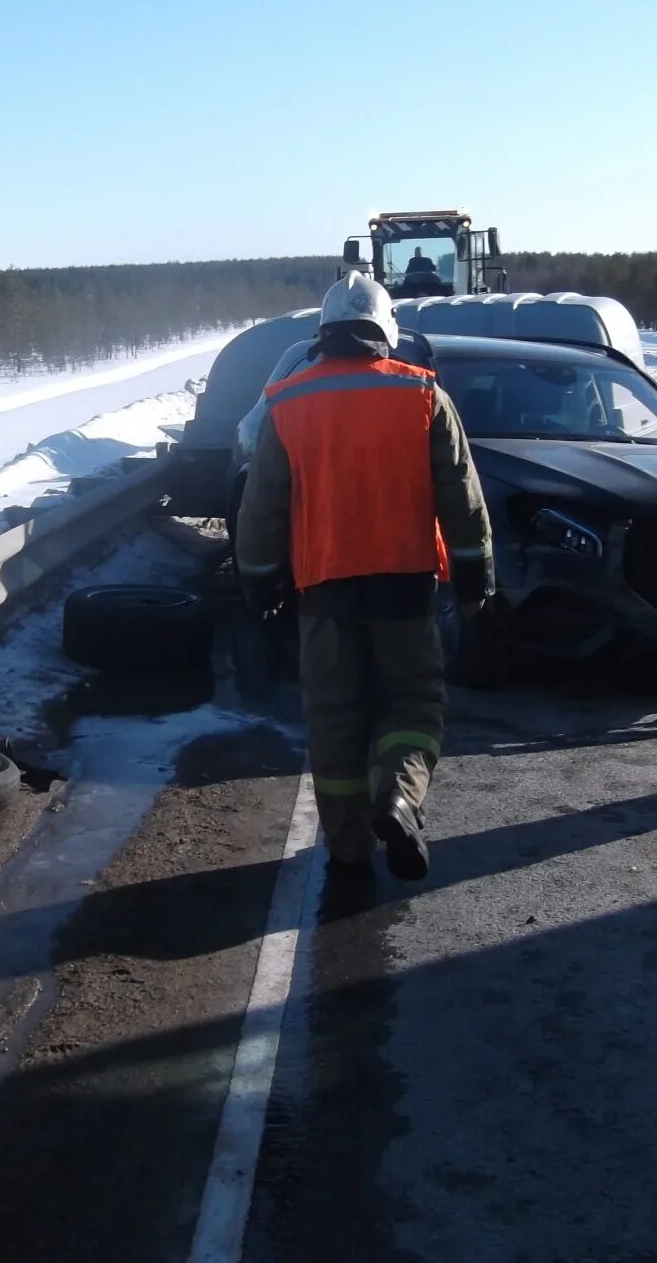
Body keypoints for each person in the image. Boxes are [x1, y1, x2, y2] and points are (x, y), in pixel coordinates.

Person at [235, 272, 494, 879]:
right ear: (386, 331)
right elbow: (463, 499)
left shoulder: (287, 402)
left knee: (335, 718)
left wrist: (257, 578)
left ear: (324, 333)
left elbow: (262, 506)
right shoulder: (423, 395)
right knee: (413, 702)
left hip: (323, 590)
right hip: (405, 586)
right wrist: (477, 573)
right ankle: (399, 797)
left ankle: (348, 854)